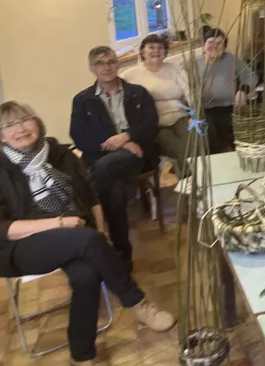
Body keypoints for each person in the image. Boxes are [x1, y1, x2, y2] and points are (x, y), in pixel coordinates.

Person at [0, 102, 174, 366]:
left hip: (76, 235)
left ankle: (81, 355)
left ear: (37, 122)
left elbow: (91, 198)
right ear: (1, 136)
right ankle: (137, 303)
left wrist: (100, 232)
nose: (21, 128)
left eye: (25, 120)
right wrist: (60, 223)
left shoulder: (60, 154)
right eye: (10, 125)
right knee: (88, 240)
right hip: (20, 244)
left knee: (87, 274)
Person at [70, 46, 159, 270]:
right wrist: (120, 142)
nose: (106, 67)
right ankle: (122, 253)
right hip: (104, 159)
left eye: (110, 61)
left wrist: (128, 136)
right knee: (115, 191)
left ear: (117, 64)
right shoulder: (82, 100)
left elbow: (151, 126)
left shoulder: (138, 93)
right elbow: (79, 137)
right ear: (92, 68)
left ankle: (99, 233)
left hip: (135, 157)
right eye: (100, 63)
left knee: (101, 171)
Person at [121, 34, 191, 179]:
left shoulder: (176, 68)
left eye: (160, 47)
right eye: (151, 47)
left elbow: (190, 93)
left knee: (193, 139)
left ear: (165, 52)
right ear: (142, 52)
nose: (156, 51)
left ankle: (191, 176)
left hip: (181, 116)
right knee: (177, 146)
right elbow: (119, 98)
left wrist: (194, 115)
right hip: (154, 123)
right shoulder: (129, 75)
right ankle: (189, 178)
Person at [195, 28, 257, 154]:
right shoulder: (193, 64)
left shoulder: (232, 59)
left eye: (219, 43)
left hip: (231, 108)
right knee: (211, 135)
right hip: (205, 111)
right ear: (204, 44)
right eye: (210, 42)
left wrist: (243, 90)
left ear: (224, 47)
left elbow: (251, 76)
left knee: (245, 137)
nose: (215, 46)